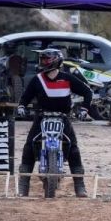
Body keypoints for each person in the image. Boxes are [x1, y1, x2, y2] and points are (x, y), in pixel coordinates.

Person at [16, 49, 93, 197]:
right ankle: (23, 186)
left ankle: (79, 185)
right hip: (41, 117)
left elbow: (88, 92)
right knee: (29, 147)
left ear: (56, 61)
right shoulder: (37, 79)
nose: (43, 62)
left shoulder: (67, 78)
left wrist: (84, 109)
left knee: (73, 149)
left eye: (46, 59)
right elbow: (25, 97)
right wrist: (21, 107)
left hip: (63, 118)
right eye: (42, 59)